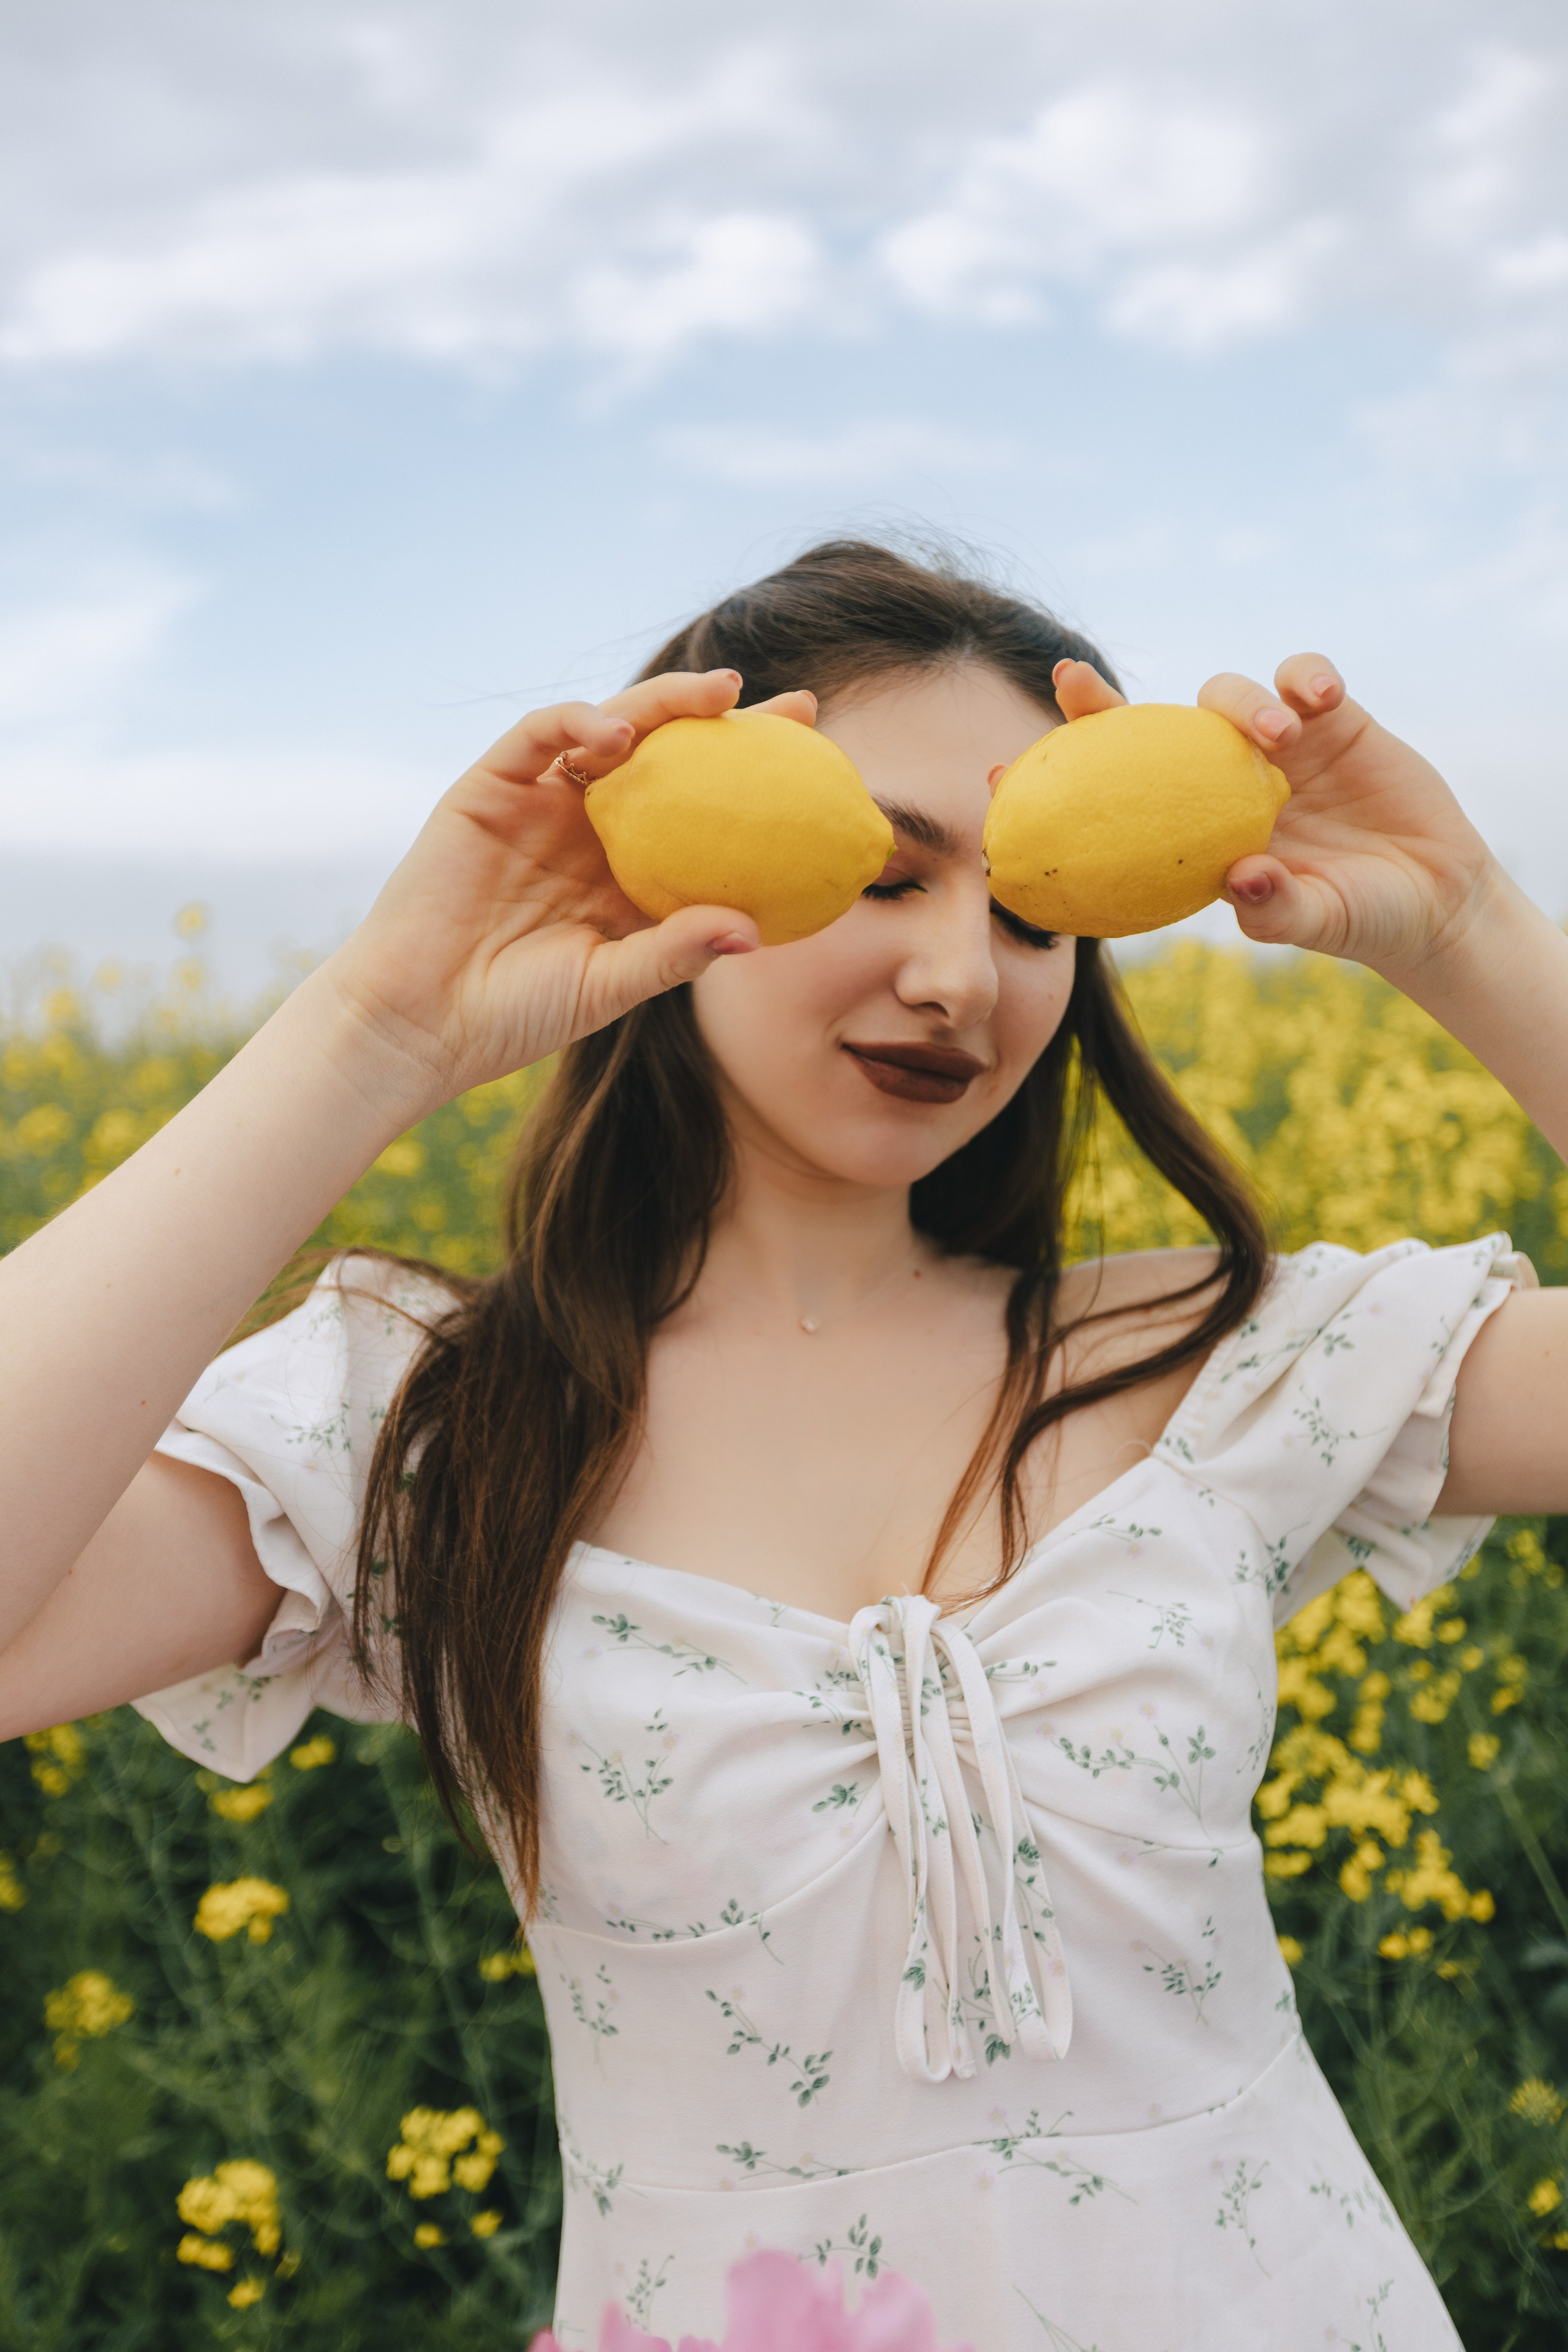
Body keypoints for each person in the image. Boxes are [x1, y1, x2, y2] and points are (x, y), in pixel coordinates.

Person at [2, 538, 1565, 2351]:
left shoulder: (1220, 1362)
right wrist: (378, 1029)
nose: (963, 975)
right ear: (673, 873)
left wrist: (1472, 929)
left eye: (1036, 915)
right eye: (883, 875)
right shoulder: (424, 1427)